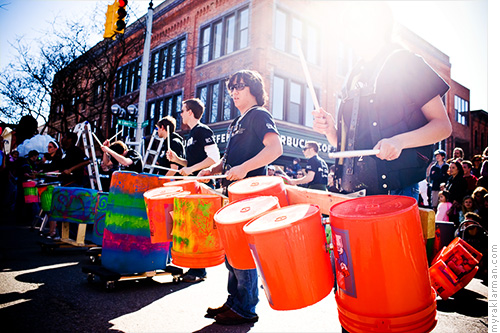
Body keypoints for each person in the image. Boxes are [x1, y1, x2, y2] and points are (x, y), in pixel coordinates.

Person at [311, 2, 452, 200]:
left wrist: (399, 142)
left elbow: (443, 126)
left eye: (355, 23)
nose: (348, 31)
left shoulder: (405, 62)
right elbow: (348, 147)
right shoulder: (352, 76)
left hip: (396, 191)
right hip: (353, 193)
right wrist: (330, 130)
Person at [198, 69, 282, 325]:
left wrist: (245, 168)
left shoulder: (259, 115)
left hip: (251, 196)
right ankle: (234, 301)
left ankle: (246, 308)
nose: (233, 92)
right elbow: (227, 159)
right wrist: (211, 169)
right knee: (232, 252)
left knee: (243, 253)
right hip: (233, 195)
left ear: (253, 89)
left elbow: (275, 148)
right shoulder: (237, 122)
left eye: (239, 86)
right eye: (231, 87)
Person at [166, 98, 220, 283]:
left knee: (198, 227)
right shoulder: (192, 135)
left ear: (190, 112)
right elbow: (191, 163)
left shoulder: (203, 130)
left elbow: (214, 158)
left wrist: (190, 170)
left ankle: (199, 270)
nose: (180, 114)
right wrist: (178, 160)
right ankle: (194, 267)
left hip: (202, 186)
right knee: (190, 226)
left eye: (182, 110)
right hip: (192, 185)